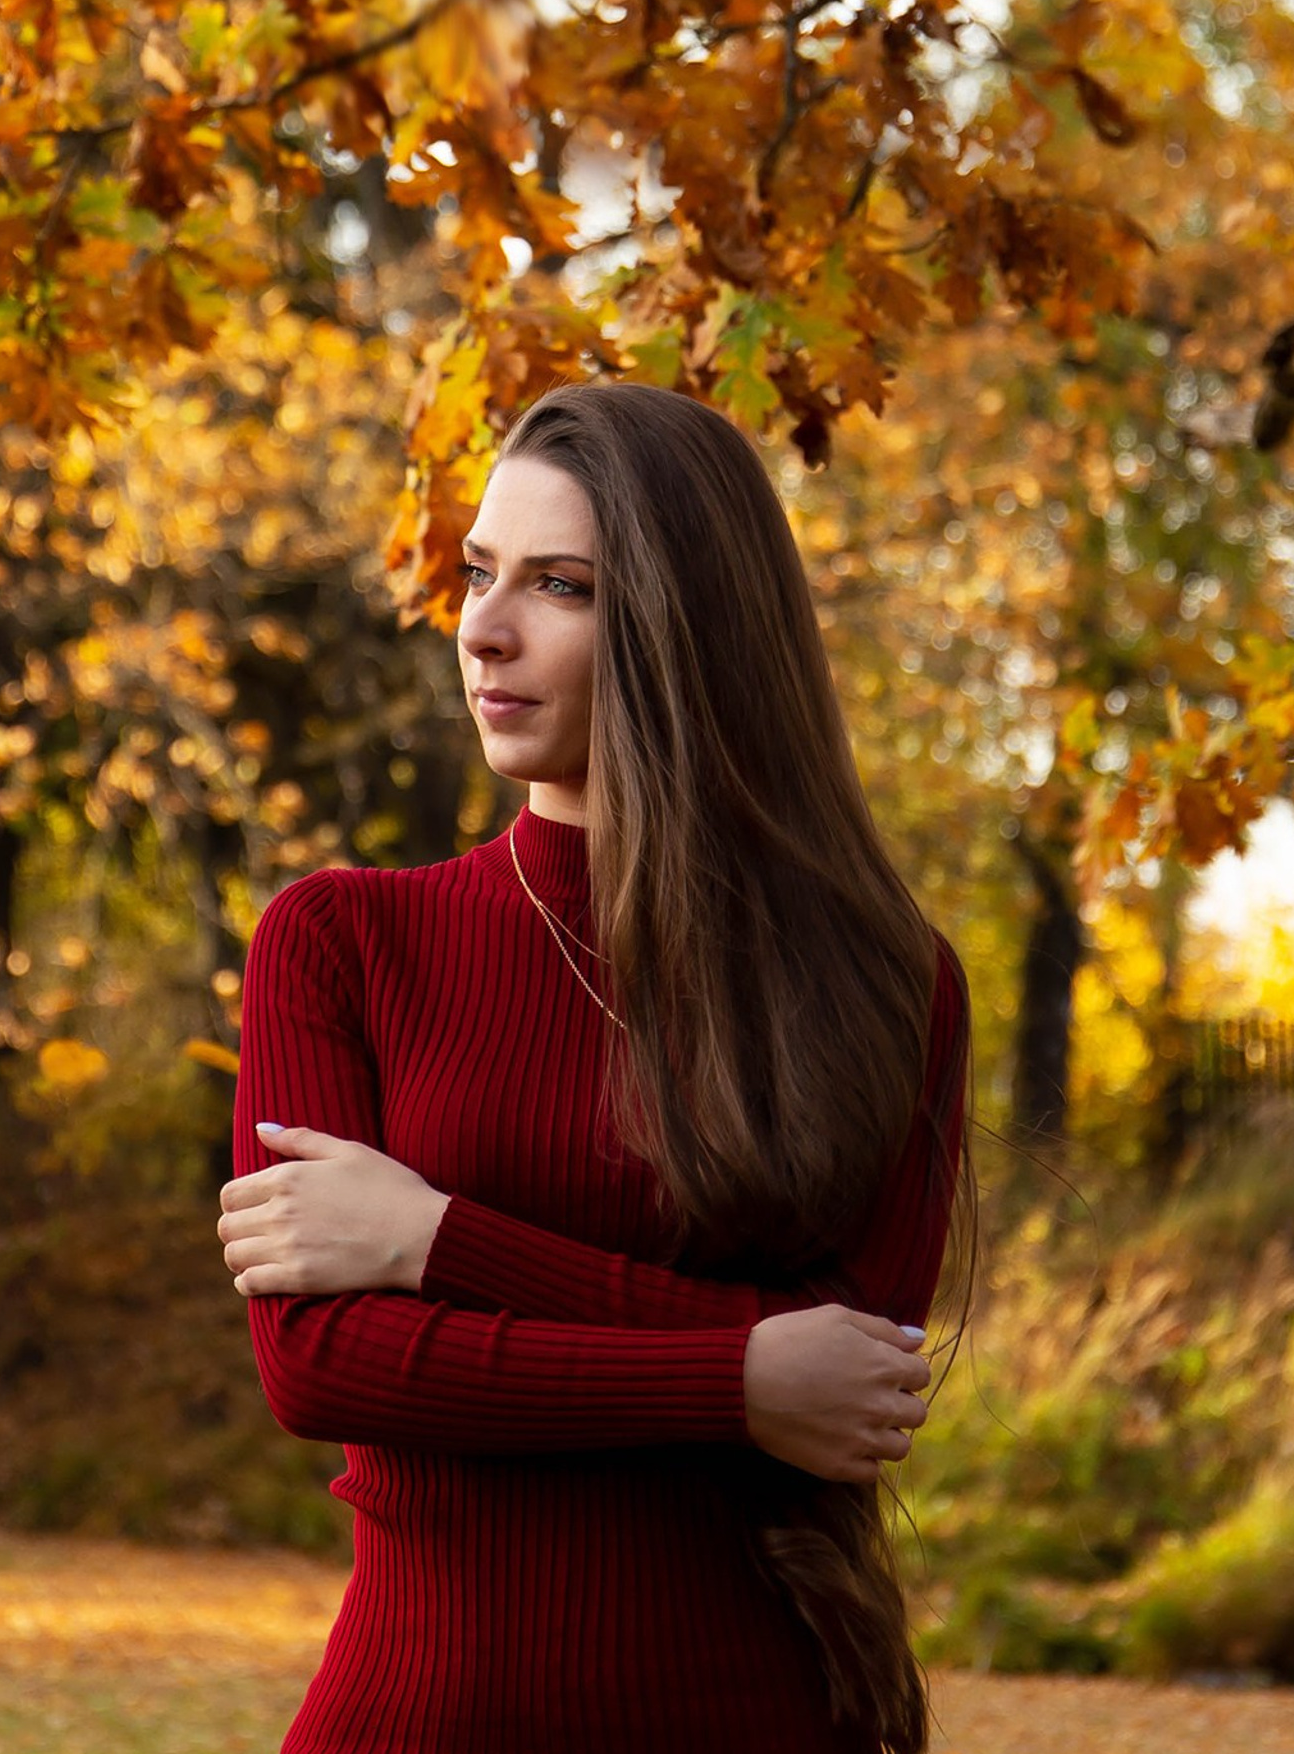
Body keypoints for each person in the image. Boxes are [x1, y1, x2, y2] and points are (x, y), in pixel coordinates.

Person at [215, 379, 974, 1754]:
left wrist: (435, 1239)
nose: (483, 632)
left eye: (560, 587)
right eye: (478, 575)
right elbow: (323, 1365)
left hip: (755, 1715)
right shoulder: (341, 941)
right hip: (418, 1720)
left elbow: (850, 1381)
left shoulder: (879, 978)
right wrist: (734, 1375)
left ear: (692, 628)